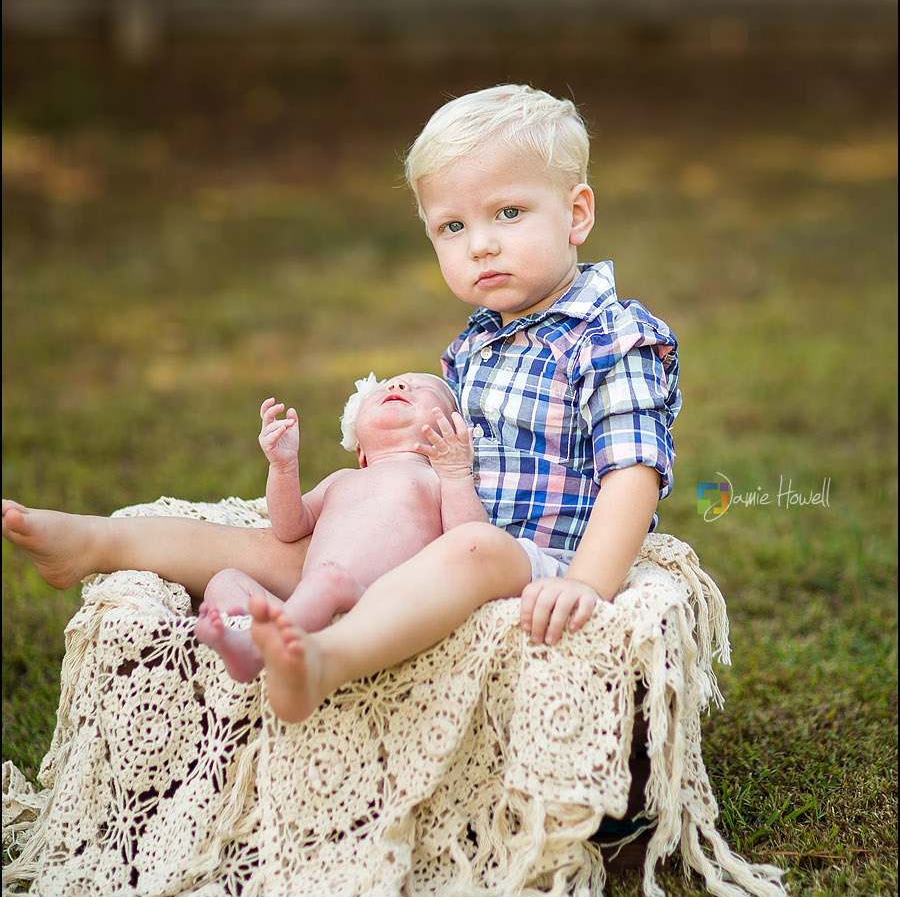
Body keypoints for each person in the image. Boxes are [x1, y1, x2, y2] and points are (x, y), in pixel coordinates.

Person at [2, 84, 680, 727]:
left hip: (526, 558)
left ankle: (325, 660)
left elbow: (633, 474)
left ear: (578, 214)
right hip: (434, 540)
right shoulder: (475, 346)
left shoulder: (613, 338)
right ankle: (99, 541)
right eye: (451, 226)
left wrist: (586, 583)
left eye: (509, 212)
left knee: (472, 547)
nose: (481, 244)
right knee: (279, 551)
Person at [194, 371, 486, 682]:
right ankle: (252, 637)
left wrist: (456, 473)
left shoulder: (436, 480)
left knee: (330, 579)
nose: (399, 385)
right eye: (386, 386)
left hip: (373, 608)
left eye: (424, 388)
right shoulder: (342, 479)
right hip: (307, 604)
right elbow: (290, 527)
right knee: (225, 580)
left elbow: (471, 543)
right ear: (360, 450)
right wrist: (283, 467)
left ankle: (256, 648)